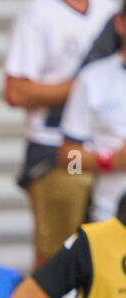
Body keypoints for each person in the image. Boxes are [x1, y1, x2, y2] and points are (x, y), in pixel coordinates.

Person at [4, 0, 116, 268]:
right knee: (57, 258)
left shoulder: (110, 9)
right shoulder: (38, 13)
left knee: (106, 258)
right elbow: (16, 91)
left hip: (109, 148)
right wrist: (84, 87)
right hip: (54, 151)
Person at [59, 4, 126, 226]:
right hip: (108, 215)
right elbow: (70, 162)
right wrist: (108, 161)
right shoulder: (93, 78)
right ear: (120, 23)